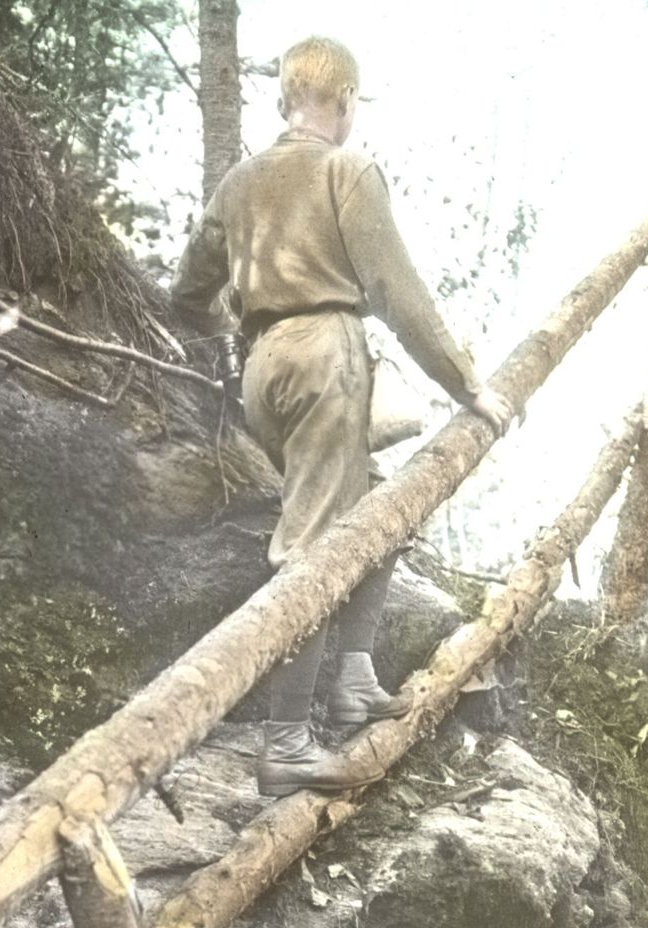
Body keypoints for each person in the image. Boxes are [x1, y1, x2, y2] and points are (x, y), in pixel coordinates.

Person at [171, 35, 513, 798]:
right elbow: (396, 290)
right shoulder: (347, 169)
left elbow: (187, 294)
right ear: (347, 101)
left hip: (263, 370)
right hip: (329, 356)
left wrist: (243, 335)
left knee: (373, 509)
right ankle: (287, 741)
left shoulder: (236, 183)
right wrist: (468, 387)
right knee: (319, 545)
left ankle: (352, 679)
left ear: (283, 98)